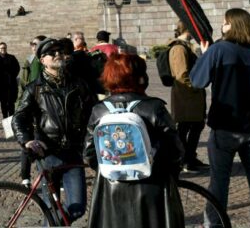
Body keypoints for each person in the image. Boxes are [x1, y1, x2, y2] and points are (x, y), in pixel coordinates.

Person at [191, 8, 250, 228]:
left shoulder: (218, 49)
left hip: (226, 126)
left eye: (225, 22)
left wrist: (204, 54)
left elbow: (197, 81)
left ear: (232, 25)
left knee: (219, 181)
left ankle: (214, 225)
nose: (222, 26)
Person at [84, 53, 185, 228]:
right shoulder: (154, 107)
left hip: (111, 187)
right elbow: (176, 150)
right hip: (152, 185)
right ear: (139, 77)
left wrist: (112, 170)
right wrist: (170, 174)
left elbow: (89, 154)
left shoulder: (99, 110)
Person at [13, 38, 96, 221]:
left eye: (59, 51)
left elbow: (94, 112)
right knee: (50, 209)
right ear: (43, 60)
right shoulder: (35, 89)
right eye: (52, 53)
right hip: (48, 154)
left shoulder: (78, 84)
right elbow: (18, 118)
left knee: (77, 207)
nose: (57, 55)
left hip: (73, 152)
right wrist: (27, 140)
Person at [168, 21, 208, 172]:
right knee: (186, 128)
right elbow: (181, 74)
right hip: (186, 97)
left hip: (190, 96)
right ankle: (185, 160)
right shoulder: (178, 48)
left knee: (195, 126)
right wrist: (196, 87)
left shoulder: (184, 47)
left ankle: (190, 156)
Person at [16, 35, 46, 185]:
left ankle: (48, 176)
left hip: (43, 108)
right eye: (32, 44)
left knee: (42, 141)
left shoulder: (45, 62)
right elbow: (22, 84)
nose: (33, 46)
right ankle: (25, 176)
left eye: (36, 44)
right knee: (27, 142)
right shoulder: (29, 61)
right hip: (28, 106)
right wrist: (19, 105)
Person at [0, 42, 20, 118]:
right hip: (1, 85)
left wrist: (11, 76)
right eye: (1, 48)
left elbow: (17, 68)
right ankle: (5, 117)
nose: (3, 49)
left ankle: (12, 118)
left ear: (6, 48)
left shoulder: (12, 58)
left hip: (10, 85)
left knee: (11, 103)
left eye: (4, 48)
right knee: (3, 103)